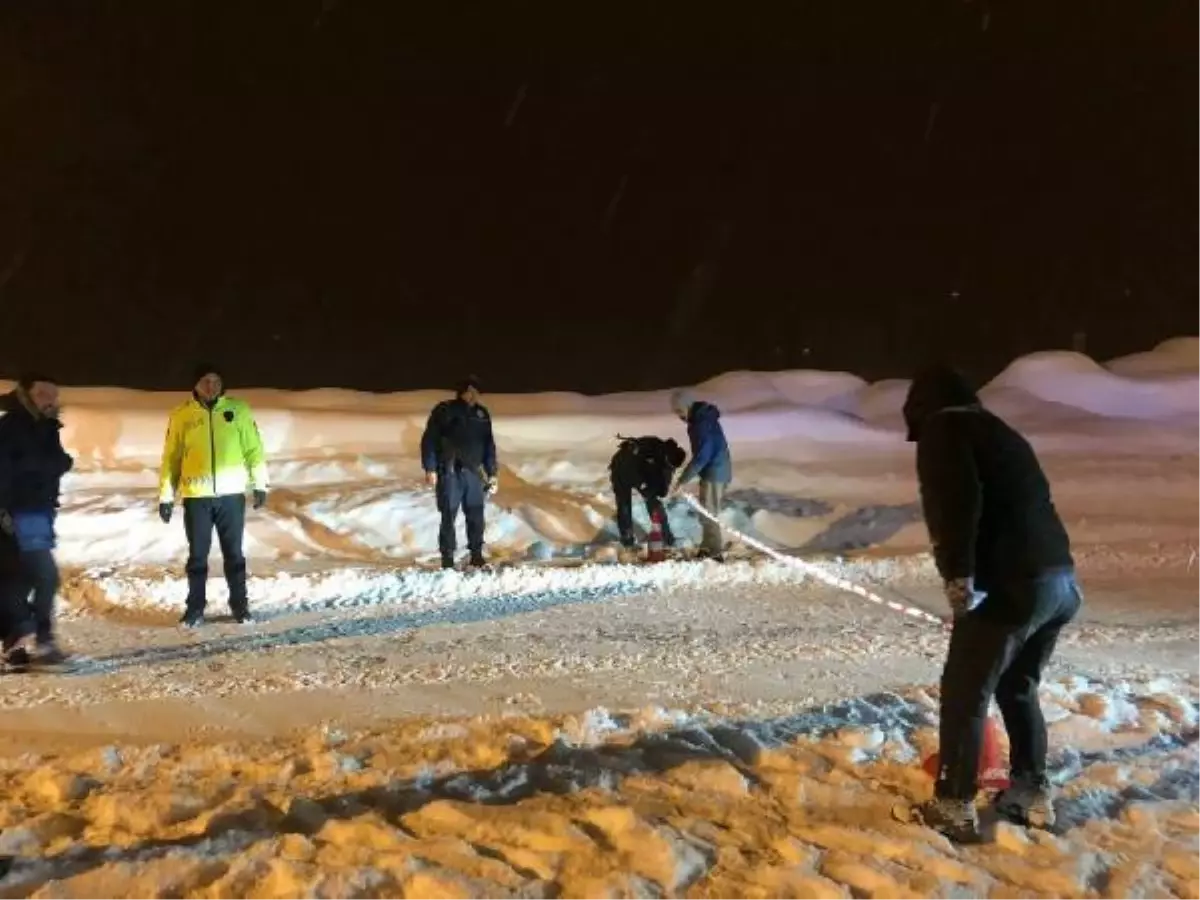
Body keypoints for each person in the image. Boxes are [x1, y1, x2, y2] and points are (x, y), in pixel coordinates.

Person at [902, 364, 1081, 842]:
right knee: (1017, 686)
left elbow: (955, 502)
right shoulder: (999, 431)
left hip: (1010, 585)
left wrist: (958, 576)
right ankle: (1031, 791)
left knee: (965, 691)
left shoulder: (946, 427)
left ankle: (954, 805)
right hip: (1058, 580)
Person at [158, 364, 269, 626]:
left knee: (235, 554)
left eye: (216, 380)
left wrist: (260, 484)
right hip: (197, 497)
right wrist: (165, 496)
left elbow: (254, 450)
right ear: (195, 385)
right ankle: (195, 608)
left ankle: (240, 606)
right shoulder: (182, 415)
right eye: (205, 380)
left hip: (231, 496)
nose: (211, 385)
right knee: (198, 556)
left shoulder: (238, 410)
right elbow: (171, 458)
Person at [0, 374, 74, 666]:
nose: (49, 399)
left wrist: (58, 462)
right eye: (42, 393)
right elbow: (9, 469)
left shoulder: (46, 428)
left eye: (53, 394)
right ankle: (41, 638)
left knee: (19, 578)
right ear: (25, 395)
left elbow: (52, 462)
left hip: (40, 511)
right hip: (18, 511)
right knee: (44, 576)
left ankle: (17, 639)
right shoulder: (11, 428)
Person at [421, 376, 498, 570]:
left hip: (474, 474)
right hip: (450, 472)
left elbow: (489, 445)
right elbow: (429, 439)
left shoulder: (482, 414)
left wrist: (493, 472)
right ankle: (447, 558)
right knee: (448, 515)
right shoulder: (445, 410)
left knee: (476, 515)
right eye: (469, 391)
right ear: (460, 392)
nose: (472, 395)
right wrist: (430, 468)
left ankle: (477, 555)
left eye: (476, 392)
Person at [668, 389, 732, 561]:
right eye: (677, 413)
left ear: (688, 406)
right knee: (706, 512)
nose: (680, 416)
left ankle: (715, 552)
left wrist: (683, 479)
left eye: (680, 411)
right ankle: (708, 546)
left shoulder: (701, 423)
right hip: (714, 471)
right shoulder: (701, 420)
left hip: (715, 472)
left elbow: (703, 455)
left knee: (710, 513)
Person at [609, 435, 686, 551]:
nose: (670, 468)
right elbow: (631, 469)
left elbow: (664, 478)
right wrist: (642, 485)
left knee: (654, 503)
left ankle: (667, 538)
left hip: (643, 472)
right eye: (669, 465)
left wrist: (661, 493)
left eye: (672, 468)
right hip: (622, 468)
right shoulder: (649, 447)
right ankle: (627, 540)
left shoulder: (668, 460)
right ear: (666, 457)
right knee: (624, 504)